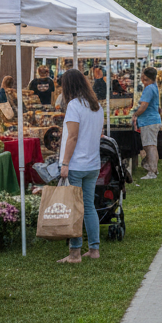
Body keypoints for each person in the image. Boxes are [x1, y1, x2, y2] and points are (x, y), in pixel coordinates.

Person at [56, 68, 105, 264]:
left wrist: (65, 163)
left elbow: (73, 137)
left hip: (76, 164)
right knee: (89, 207)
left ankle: (75, 252)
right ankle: (94, 249)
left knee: (75, 208)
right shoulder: (96, 106)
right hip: (93, 163)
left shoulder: (74, 105)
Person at [132, 66, 162, 180]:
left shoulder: (149, 88)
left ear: (146, 77)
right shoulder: (153, 87)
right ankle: (152, 168)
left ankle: (152, 172)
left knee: (150, 146)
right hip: (151, 120)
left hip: (149, 121)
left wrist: (136, 114)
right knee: (150, 146)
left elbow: (144, 105)